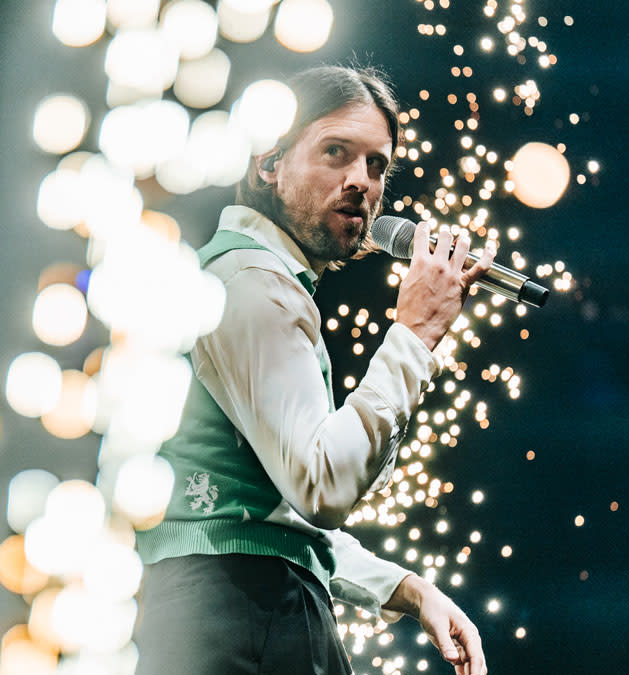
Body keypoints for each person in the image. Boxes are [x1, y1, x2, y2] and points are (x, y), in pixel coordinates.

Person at [134, 65, 494, 675]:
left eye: (376, 166)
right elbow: (321, 487)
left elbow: (270, 516)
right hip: (242, 616)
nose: (360, 181)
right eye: (335, 152)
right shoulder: (253, 284)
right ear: (268, 165)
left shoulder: (244, 277)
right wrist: (414, 335)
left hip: (227, 608)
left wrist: (407, 589)